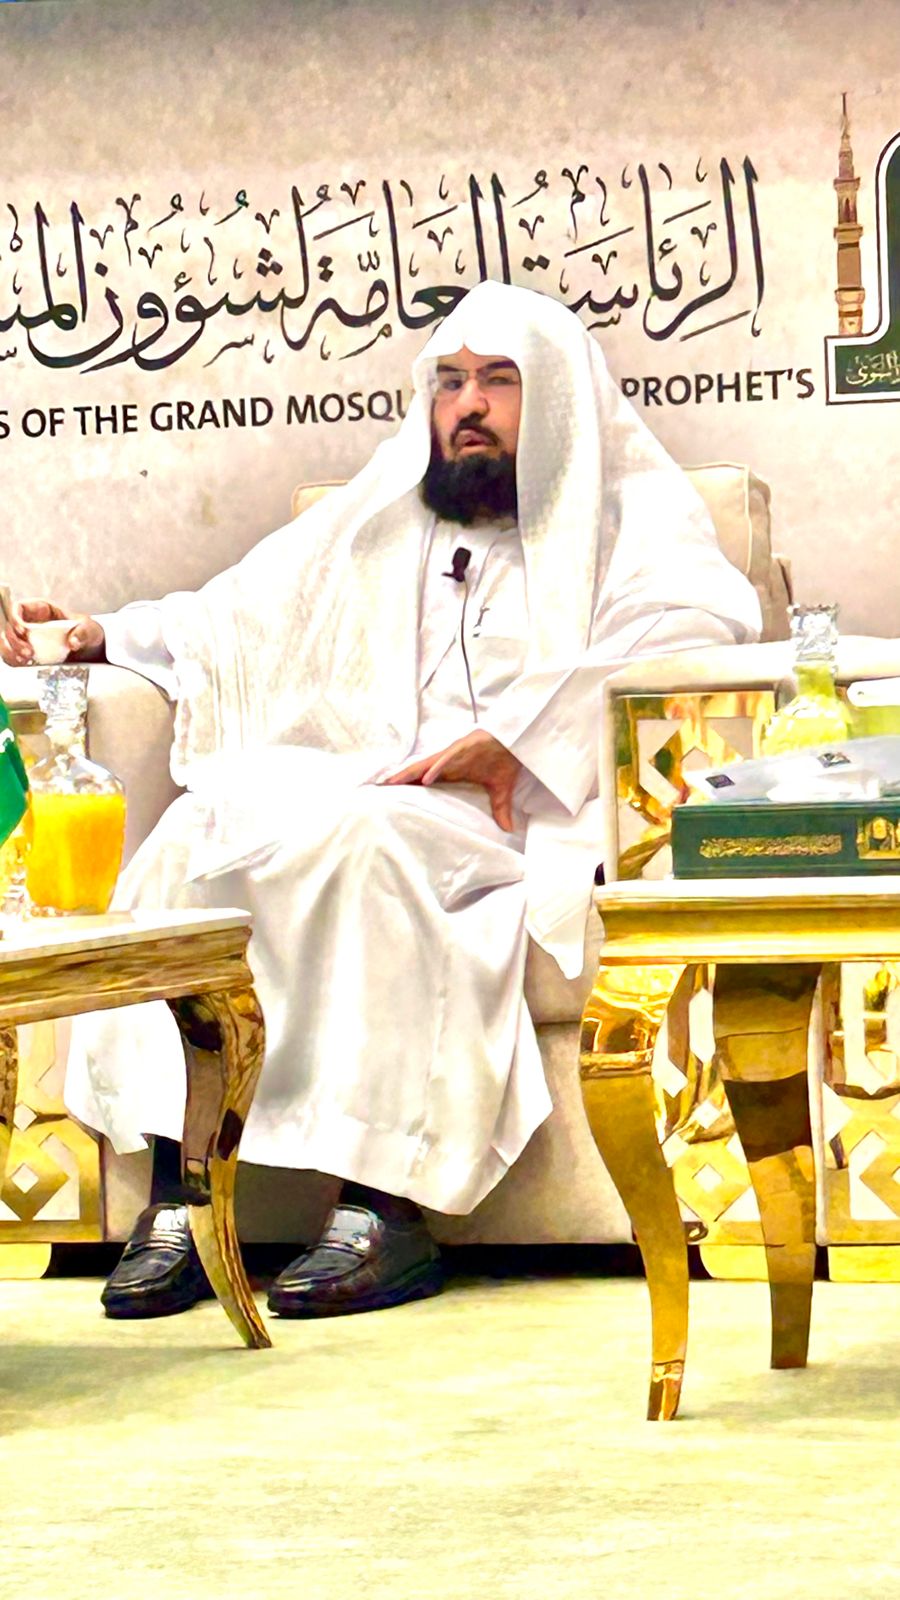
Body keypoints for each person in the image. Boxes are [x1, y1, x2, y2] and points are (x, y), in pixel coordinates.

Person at [0, 281, 761, 1319]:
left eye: (498, 381)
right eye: (451, 381)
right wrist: (100, 635)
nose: (468, 406)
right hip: (361, 782)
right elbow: (230, 616)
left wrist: (518, 741)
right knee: (195, 833)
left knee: (370, 845)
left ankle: (381, 1207)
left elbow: (700, 627)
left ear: (555, 399)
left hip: (512, 813)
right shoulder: (386, 508)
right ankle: (187, 1195)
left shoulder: (630, 513)